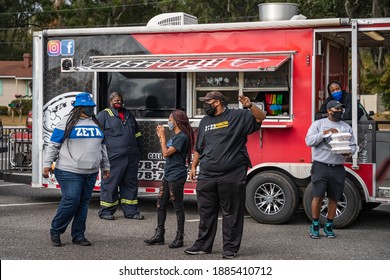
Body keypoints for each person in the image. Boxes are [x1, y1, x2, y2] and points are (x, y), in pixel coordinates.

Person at [185, 91, 266, 259]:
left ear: (218, 102)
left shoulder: (238, 116)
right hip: (207, 174)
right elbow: (199, 148)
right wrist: (193, 166)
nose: (205, 104)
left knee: (231, 213)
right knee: (206, 212)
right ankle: (203, 245)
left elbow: (261, 117)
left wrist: (250, 105)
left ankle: (230, 248)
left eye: (207, 101)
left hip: (232, 174)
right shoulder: (205, 121)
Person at [43, 92, 110, 247]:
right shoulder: (66, 122)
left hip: (91, 172)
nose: (91, 109)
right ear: (79, 108)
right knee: (72, 200)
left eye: (92, 107)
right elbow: (54, 144)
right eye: (87, 107)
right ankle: (56, 230)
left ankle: (78, 235)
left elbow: (102, 147)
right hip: (69, 170)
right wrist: (47, 164)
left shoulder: (96, 123)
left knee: (83, 203)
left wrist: (106, 166)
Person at [305, 100, 357, 239]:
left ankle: (329, 225)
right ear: (329, 110)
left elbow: (353, 145)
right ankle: (315, 225)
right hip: (320, 166)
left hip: (338, 168)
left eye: (341, 109)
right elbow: (309, 141)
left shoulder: (346, 127)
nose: (339, 111)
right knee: (318, 196)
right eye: (337, 108)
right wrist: (325, 133)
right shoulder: (318, 125)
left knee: (334, 198)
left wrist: (349, 152)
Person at [144, 109, 195, 248]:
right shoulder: (176, 135)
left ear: (177, 121)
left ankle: (180, 237)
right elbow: (165, 151)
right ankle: (159, 234)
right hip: (168, 174)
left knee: (178, 206)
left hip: (177, 175)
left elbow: (166, 153)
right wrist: (161, 138)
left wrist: (163, 136)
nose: (168, 122)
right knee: (160, 204)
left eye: (170, 120)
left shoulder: (182, 137)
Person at [97, 92, 144, 220]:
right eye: (116, 100)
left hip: (131, 157)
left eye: (120, 100)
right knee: (110, 184)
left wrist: (138, 150)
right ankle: (106, 211)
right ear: (110, 101)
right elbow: (97, 137)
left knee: (130, 184)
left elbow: (137, 134)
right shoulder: (103, 115)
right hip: (113, 157)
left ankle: (131, 212)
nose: (119, 102)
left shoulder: (128, 115)